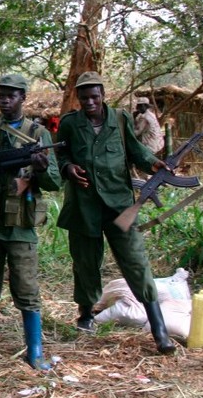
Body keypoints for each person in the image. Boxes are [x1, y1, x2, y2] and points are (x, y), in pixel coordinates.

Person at [56, 71, 175, 354]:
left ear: (103, 96)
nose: (89, 102)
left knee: (136, 261)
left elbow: (136, 151)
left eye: (94, 97)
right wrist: (68, 168)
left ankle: (159, 328)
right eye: (84, 98)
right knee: (85, 262)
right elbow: (60, 154)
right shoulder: (70, 124)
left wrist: (154, 163)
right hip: (84, 206)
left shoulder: (119, 119)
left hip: (120, 206)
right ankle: (85, 316)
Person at [0, 74, 61, 370]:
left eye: (11, 95)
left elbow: (54, 180)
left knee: (27, 289)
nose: (5, 100)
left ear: (23, 98)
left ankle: (35, 348)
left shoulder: (38, 134)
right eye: (1, 95)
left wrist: (41, 170)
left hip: (21, 224)